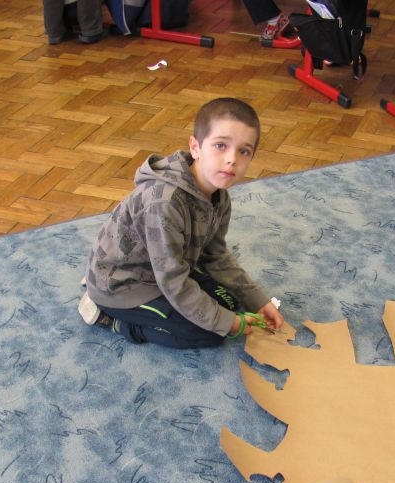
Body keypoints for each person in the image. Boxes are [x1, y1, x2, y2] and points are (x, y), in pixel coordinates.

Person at [79, 97, 285, 349]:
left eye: (244, 151)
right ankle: (112, 320)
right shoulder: (165, 203)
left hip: (164, 265)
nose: (232, 159)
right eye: (220, 146)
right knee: (210, 333)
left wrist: (258, 301)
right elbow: (173, 281)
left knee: (229, 302)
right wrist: (226, 323)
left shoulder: (220, 196)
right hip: (124, 284)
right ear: (195, 147)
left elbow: (215, 256)